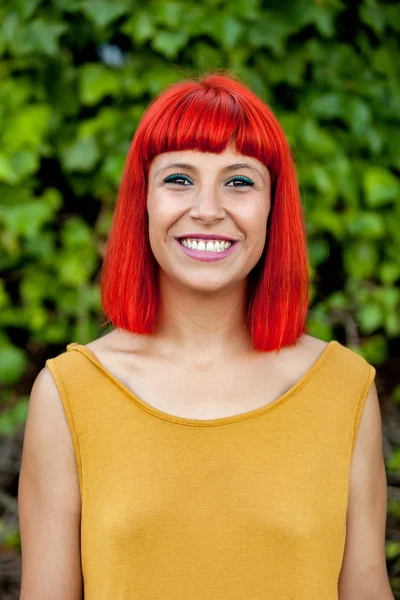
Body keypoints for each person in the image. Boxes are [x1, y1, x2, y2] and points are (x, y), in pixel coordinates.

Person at [18, 71, 393, 599]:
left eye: (240, 181)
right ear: (142, 200)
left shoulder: (344, 388)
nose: (208, 209)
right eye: (178, 179)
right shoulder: (68, 394)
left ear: (272, 206)